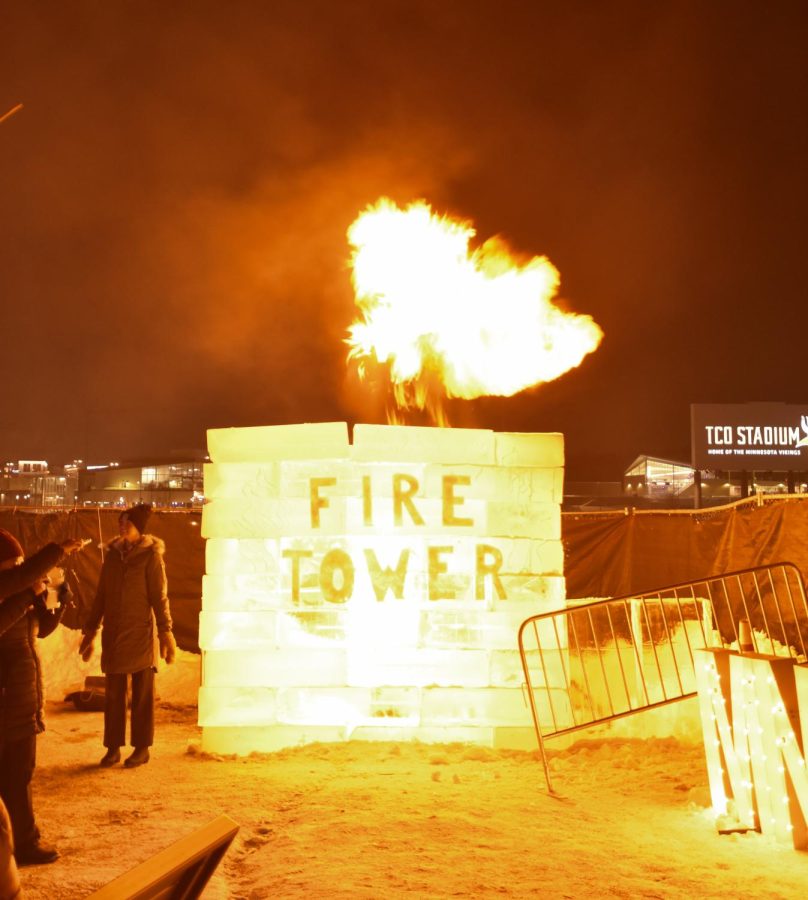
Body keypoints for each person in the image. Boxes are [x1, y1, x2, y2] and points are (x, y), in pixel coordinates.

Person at [0, 528, 87, 868]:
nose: (22, 568)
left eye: (23, 561)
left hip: (20, 697)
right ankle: (24, 843)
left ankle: (17, 841)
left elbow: (43, 627)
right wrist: (28, 593)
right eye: (14, 563)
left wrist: (56, 599)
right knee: (17, 776)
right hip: (7, 700)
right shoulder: (10, 594)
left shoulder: (17, 592)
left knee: (17, 774)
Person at [79, 504, 176, 769]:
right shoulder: (111, 557)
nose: (122, 526)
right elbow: (101, 596)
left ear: (139, 528)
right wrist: (90, 630)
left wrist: (166, 633)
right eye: (121, 522)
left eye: (127, 523)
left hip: (140, 635)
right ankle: (112, 748)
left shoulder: (150, 557)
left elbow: (160, 597)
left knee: (142, 695)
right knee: (113, 695)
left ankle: (142, 747)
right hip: (114, 635)